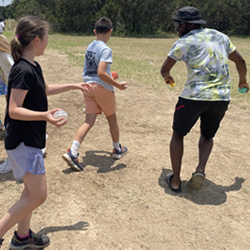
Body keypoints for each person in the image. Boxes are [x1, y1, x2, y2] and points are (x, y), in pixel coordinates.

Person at [0, 16, 86, 249]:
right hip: (23, 141)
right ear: (37, 40)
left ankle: (23, 237)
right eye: (46, 37)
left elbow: (45, 89)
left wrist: (73, 85)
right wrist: (45, 115)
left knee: (30, 193)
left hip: (29, 139)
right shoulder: (22, 70)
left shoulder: (32, 66)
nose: (48, 41)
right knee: (38, 195)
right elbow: (14, 110)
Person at [160, 6, 249, 193]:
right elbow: (240, 61)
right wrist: (243, 81)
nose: (177, 28)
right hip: (221, 98)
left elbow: (164, 68)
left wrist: (167, 76)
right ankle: (200, 170)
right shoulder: (220, 37)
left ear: (188, 24)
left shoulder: (184, 42)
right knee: (207, 135)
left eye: (179, 24)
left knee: (178, 134)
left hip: (194, 97)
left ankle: (175, 181)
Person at [62, 17, 128, 171]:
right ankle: (117, 149)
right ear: (110, 31)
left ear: (94, 31)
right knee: (112, 119)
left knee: (88, 121)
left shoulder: (90, 46)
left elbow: (93, 71)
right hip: (101, 88)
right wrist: (117, 85)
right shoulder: (106, 49)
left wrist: (110, 76)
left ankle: (73, 151)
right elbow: (101, 73)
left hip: (87, 87)